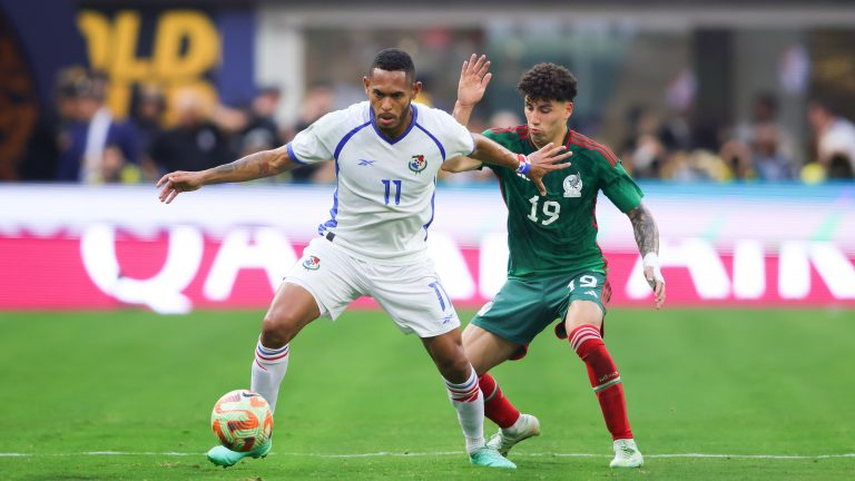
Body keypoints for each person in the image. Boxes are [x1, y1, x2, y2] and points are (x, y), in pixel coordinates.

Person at [156, 49, 570, 470]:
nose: (386, 105)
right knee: (275, 325)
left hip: (405, 261)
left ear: (415, 92)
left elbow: (476, 145)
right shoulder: (341, 125)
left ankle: (478, 445)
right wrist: (203, 178)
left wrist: (521, 163)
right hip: (342, 249)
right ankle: (256, 437)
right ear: (365, 88)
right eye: (378, 95)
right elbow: (273, 159)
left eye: (396, 95)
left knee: (454, 359)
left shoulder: (436, 127)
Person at [443, 58, 667, 469]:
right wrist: (463, 106)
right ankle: (513, 425)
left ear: (567, 109)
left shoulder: (592, 156)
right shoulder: (505, 144)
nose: (534, 117)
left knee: (585, 336)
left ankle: (625, 444)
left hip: (579, 271)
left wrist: (650, 259)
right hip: (525, 280)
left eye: (544, 109)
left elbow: (639, 213)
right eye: (529, 106)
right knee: (458, 369)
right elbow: (449, 162)